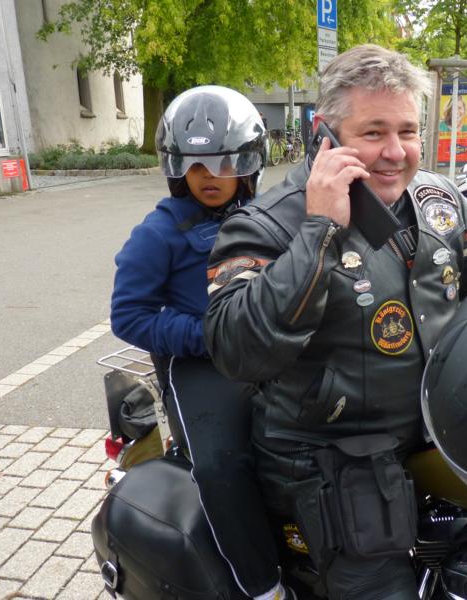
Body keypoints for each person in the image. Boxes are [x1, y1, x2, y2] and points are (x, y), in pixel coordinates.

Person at [204, 45, 467, 599]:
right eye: (373, 133)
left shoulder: (439, 201)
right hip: (329, 464)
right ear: (324, 134)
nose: (395, 152)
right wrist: (320, 231)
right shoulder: (268, 224)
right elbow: (236, 347)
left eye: (408, 131)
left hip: (437, 442)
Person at [110, 85, 290, 600]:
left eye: (225, 162)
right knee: (222, 465)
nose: (210, 175)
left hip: (266, 352)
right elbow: (128, 315)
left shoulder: (268, 217)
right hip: (200, 364)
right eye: (195, 165)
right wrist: (206, 335)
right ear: (176, 168)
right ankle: (262, 584)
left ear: (249, 164)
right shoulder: (158, 233)